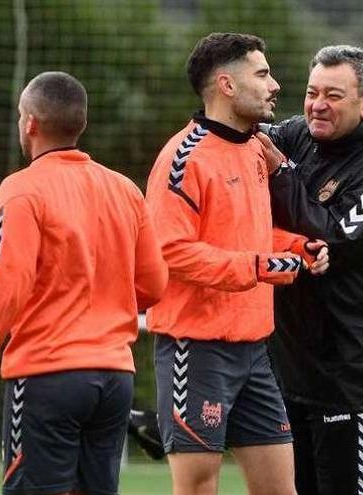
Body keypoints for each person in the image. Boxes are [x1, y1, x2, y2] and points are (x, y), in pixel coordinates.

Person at [0, 71, 169, 495]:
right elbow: (154, 284)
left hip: (48, 376)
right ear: (79, 123)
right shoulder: (123, 189)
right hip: (114, 379)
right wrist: (98, 304)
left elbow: (5, 286)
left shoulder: (23, 189)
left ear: (29, 123)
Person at [145, 32, 328, 495]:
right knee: (198, 487)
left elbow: (247, 233)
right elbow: (170, 250)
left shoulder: (254, 148)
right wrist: (260, 266)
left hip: (255, 349)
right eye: (262, 74)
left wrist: (297, 247)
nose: (275, 86)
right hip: (196, 347)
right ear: (226, 85)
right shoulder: (182, 158)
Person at [257, 45, 363, 495]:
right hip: (290, 367)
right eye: (312, 92)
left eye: (333, 95)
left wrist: (282, 172)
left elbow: (329, 238)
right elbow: (246, 133)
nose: (317, 105)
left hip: (348, 374)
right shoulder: (299, 134)